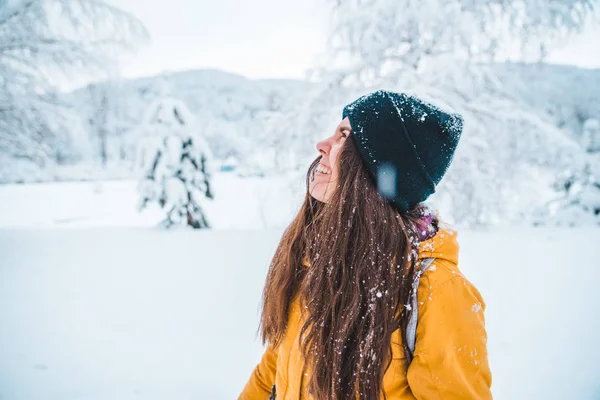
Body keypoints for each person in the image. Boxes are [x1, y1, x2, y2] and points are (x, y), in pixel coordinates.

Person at [239, 90, 492, 399]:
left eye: (343, 137)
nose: (322, 145)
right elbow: (274, 369)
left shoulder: (437, 290)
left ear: (374, 169)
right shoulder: (314, 261)